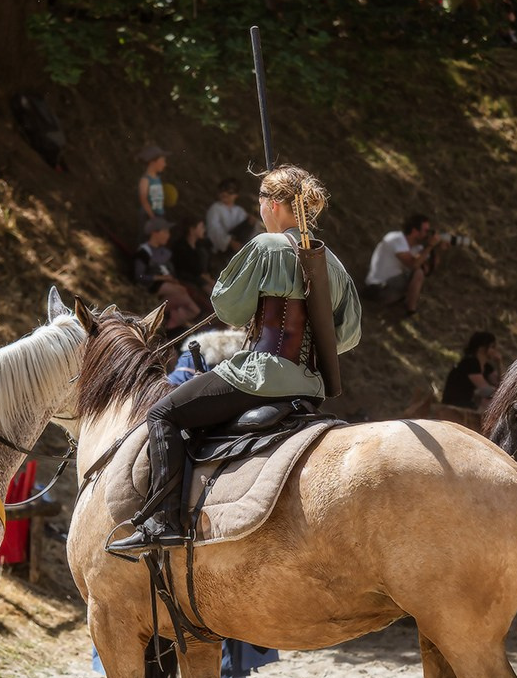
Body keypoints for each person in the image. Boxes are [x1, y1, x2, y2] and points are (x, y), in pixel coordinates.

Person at [108, 164, 362, 553]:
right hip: (310, 387)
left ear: (273, 205)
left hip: (259, 377)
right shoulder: (334, 263)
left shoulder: (265, 246)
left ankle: (165, 521)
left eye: (260, 201)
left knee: (162, 414)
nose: (259, 209)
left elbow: (228, 307)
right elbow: (348, 336)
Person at [362, 212, 444, 315]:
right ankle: (411, 311)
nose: (428, 235)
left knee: (419, 272)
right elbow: (414, 265)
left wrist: (438, 249)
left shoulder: (417, 248)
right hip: (378, 288)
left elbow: (428, 269)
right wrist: (430, 246)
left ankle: (399, 303)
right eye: (426, 231)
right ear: (415, 231)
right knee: (417, 272)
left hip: (391, 287)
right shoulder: (396, 239)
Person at [134, 217, 202, 333]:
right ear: (155, 233)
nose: (168, 235)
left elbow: (170, 271)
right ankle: (154, 314)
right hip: (153, 285)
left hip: (168, 284)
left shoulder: (164, 253)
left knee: (193, 309)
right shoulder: (144, 252)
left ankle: (170, 326)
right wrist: (161, 278)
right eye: (165, 232)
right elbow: (139, 276)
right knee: (181, 292)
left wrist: (172, 279)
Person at [441, 331, 504, 411]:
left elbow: (502, 384)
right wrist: (500, 392)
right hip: (455, 404)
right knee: (488, 401)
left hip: (468, 404)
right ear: (482, 348)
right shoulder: (470, 363)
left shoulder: (486, 367)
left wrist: (499, 364)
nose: (495, 351)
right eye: (492, 347)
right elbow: (486, 391)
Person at [205, 177, 260, 264]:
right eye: (222, 191)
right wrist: (229, 242)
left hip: (239, 251)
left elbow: (251, 230)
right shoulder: (215, 208)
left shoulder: (240, 211)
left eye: (229, 191)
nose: (225, 194)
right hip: (221, 252)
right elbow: (214, 229)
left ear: (236, 195)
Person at [136, 143, 169, 245]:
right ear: (153, 162)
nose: (164, 164)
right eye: (162, 161)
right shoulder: (145, 179)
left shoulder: (158, 179)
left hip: (158, 214)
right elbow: (143, 199)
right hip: (148, 216)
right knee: (146, 238)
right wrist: (152, 217)